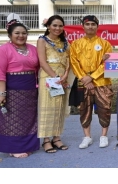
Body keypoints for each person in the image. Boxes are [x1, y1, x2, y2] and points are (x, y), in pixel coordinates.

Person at [0, 19, 40, 158]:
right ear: (10, 35)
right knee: (12, 119)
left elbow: (38, 67)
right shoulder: (2, 50)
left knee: (28, 119)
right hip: (12, 90)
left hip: (30, 89)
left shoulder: (32, 49)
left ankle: (28, 145)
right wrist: (1, 93)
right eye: (17, 33)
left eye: (24, 33)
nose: (21, 36)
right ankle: (14, 148)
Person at [69, 15, 114, 149]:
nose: (90, 27)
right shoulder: (76, 44)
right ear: (83, 26)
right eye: (87, 24)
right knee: (84, 110)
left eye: (93, 24)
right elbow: (74, 62)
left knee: (105, 109)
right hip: (83, 82)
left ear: (97, 27)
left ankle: (104, 136)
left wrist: (92, 77)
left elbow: (107, 63)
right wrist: (84, 77)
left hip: (102, 82)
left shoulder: (105, 44)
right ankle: (87, 137)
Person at [37, 15, 71, 153]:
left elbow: (69, 60)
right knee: (47, 107)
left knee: (59, 108)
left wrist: (65, 75)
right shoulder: (42, 40)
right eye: (54, 25)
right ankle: (46, 140)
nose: (57, 28)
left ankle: (56, 138)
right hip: (49, 77)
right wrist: (55, 77)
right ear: (49, 26)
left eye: (60, 26)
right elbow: (42, 61)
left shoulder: (65, 43)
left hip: (62, 77)